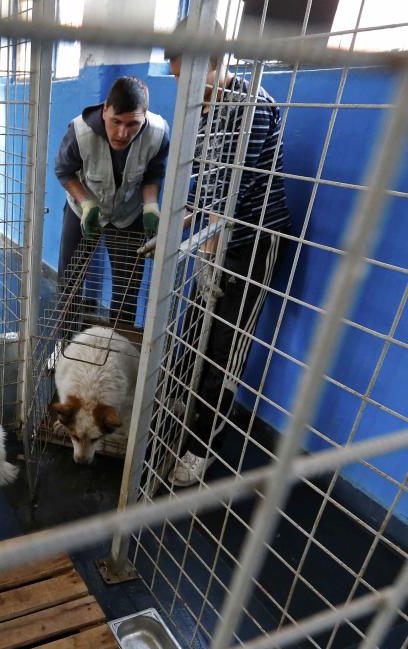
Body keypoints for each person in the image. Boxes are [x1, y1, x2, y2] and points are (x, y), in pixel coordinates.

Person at [166, 19, 292, 487]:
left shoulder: (252, 105)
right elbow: (207, 180)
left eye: (188, 79)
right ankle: (184, 401)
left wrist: (209, 254)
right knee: (194, 325)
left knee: (224, 349)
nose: (185, 92)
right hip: (216, 238)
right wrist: (180, 219)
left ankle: (202, 449)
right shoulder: (205, 108)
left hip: (253, 242)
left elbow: (234, 191)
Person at [54, 75, 170, 333]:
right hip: (82, 209)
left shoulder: (159, 133)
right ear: (105, 109)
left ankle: (118, 350)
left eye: (133, 124)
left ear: (145, 116)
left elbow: (153, 174)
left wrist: (151, 205)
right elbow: (64, 171)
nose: (122, 133)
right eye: (116, 121)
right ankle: (65, 345)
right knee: (70, 281)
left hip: (129, 213)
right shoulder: (79, 131)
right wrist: (86, 203)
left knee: (128, 285)